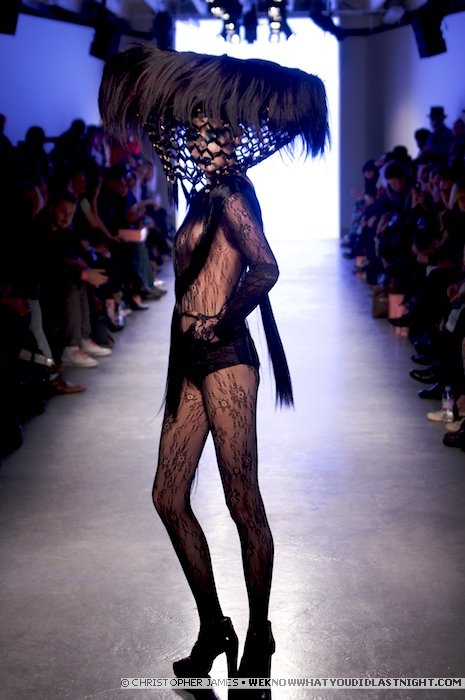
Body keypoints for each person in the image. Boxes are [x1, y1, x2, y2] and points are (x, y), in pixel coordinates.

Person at [99, 44, 328, 686]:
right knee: (167, 496)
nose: (203, 143)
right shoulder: (202, 198)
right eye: (196, 132)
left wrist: (223, 321)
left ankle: (259, 632)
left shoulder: (233, 197)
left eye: (213, 133)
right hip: (189, 361)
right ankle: (212, 625)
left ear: (232, 139)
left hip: (226, 362)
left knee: (241, 501)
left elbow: (266, 268)